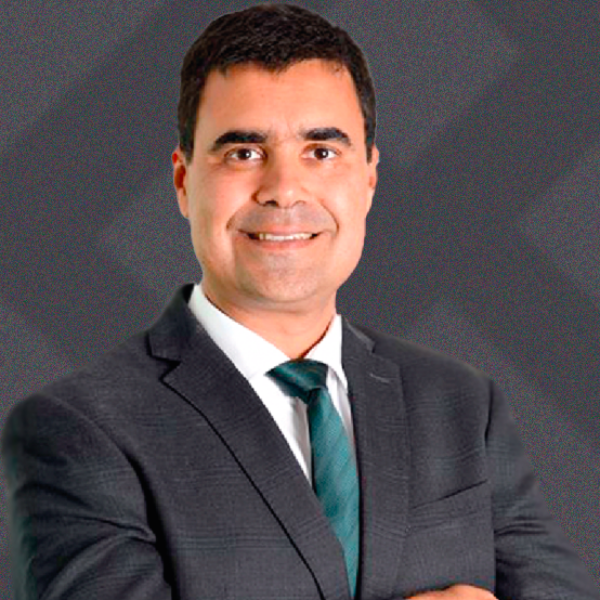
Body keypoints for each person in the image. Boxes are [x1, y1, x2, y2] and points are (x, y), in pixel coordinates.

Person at [2, 4, 598, 600]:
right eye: (243, 152)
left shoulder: (462, 403)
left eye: (322, 151)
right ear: (183, 182)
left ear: (369, 179)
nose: (284, 190)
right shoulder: (76, 429)